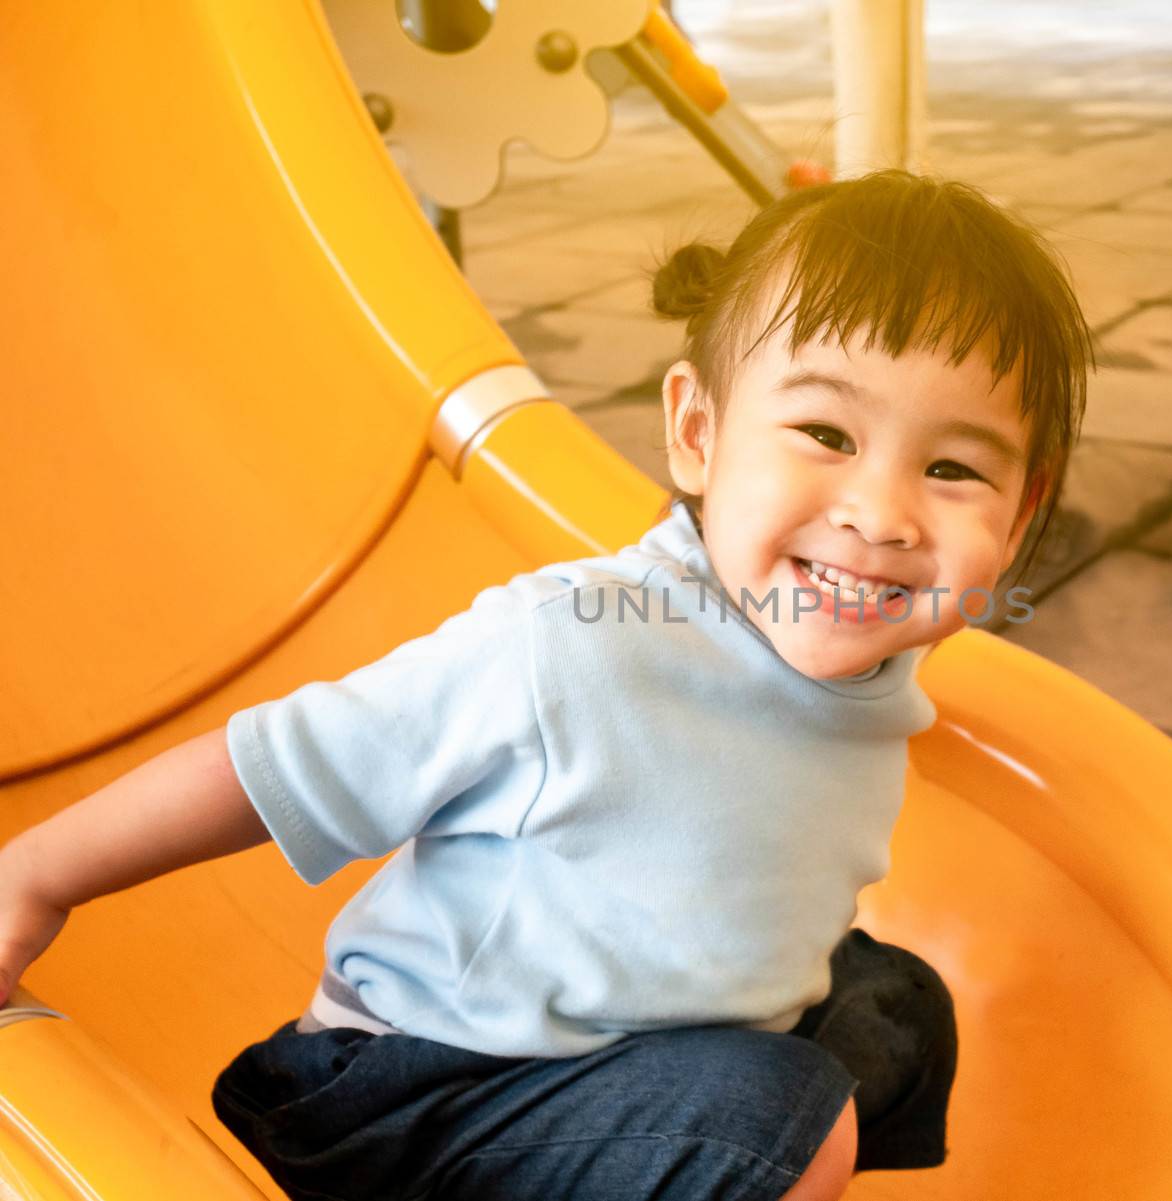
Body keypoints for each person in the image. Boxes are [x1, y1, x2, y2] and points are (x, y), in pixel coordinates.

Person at [0, 169, 1091, 1201]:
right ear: (699, 435)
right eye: (823, 433)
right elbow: (280, 765)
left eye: (953, 469)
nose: (882, 514)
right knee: (783, 1114)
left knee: (897, 1008)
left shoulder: (869, 628)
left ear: (1020, 507)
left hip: (640, 1039)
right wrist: (35, 877)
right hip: (423, 1098)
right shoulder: (575, 647)